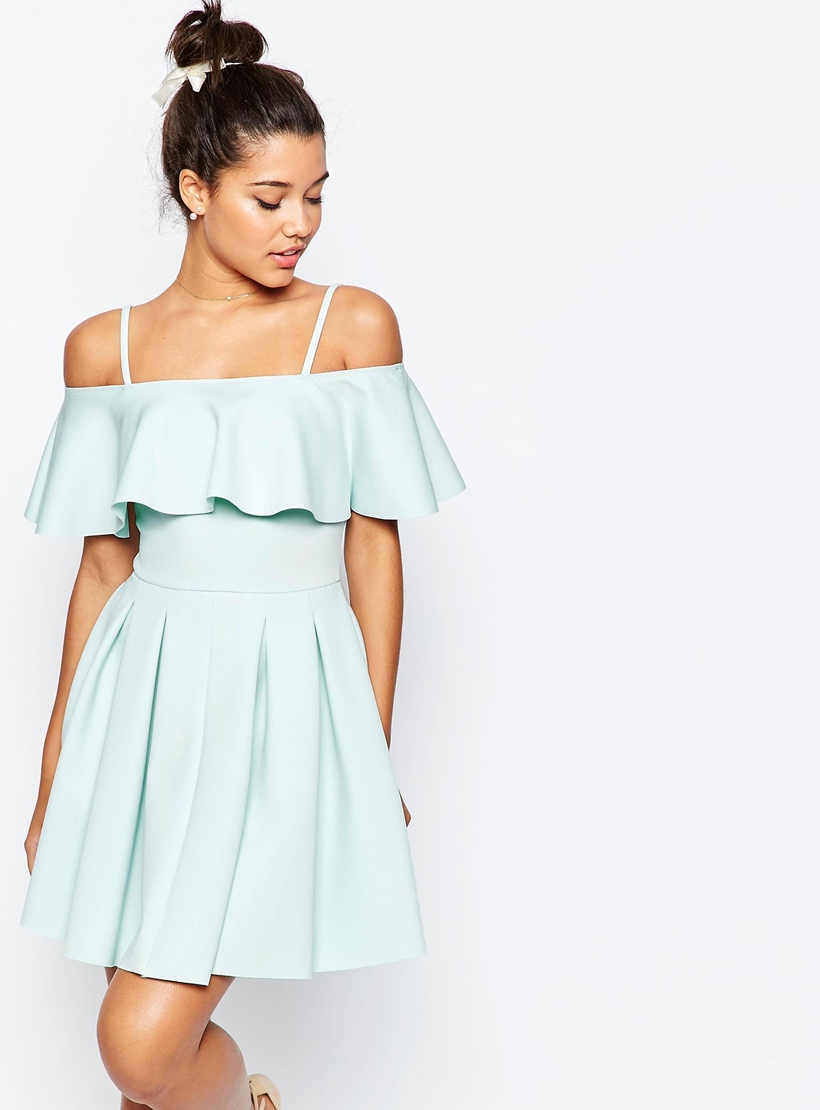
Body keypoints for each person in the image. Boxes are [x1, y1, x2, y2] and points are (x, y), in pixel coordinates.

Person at [18, 3, 466, 1107]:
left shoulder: (349, 328)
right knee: (148, 1060)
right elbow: (103, 570)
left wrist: (367, 751)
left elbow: (373, 553)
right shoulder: (106, 350)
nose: (298, 224)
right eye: (271, 198)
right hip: (144, 700)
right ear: (194, 189)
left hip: (286, 696)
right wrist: (55, 768)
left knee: (139, 1047)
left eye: (315, 196)